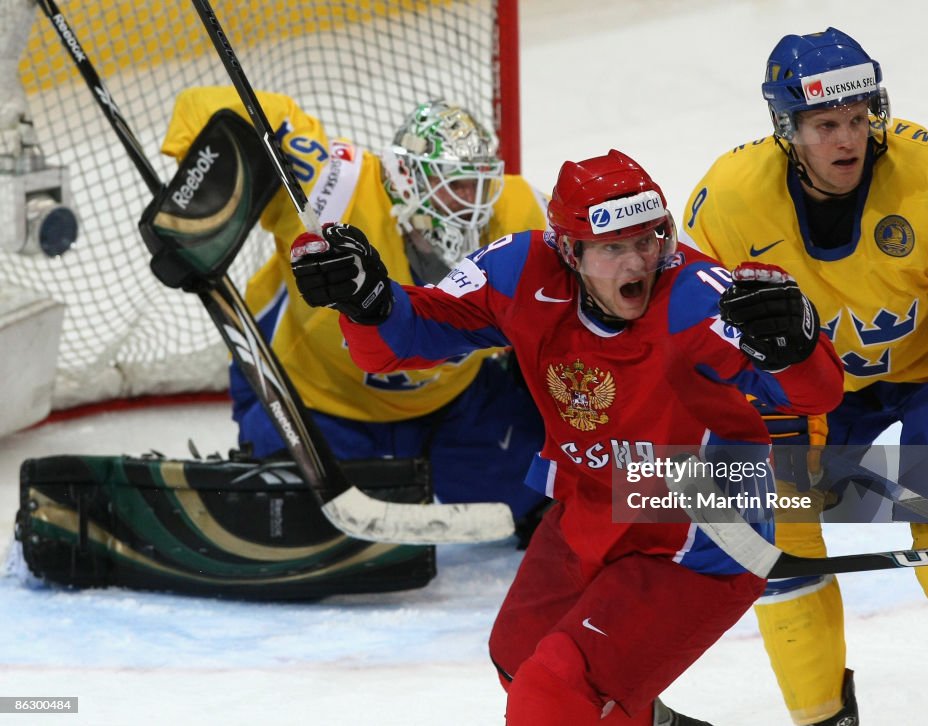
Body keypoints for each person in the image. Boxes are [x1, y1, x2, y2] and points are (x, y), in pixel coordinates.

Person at [287, 148, 844, 724]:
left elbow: (813, 396)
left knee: (553, 695)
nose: (639, 263)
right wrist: (369, 303)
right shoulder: (519, 269)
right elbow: (411, 338)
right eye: (612, 247)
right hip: (594, 506)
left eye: (650, 239)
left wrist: (794, 349)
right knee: (519, 659)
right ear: (569, 252)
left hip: (700, 531)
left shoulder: (697, 297)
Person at [682, 27, 928, 725]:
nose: (849, 140)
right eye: (827, 124)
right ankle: (822, 718)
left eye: (861, 117)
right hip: (810, 382)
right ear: (787, 130)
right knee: (774, 540)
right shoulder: (724, 203)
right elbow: (698, 337)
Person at [160, 87, 550, 543]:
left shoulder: (519, 212)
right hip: (317, 402)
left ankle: (646, 502)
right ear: (407, 178)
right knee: (286, 528)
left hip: (451, 405)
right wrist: (204, 176)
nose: (472, 201)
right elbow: (204, 103)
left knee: (549, 492)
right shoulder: (334, 192)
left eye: (479, 183)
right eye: (454, 184)